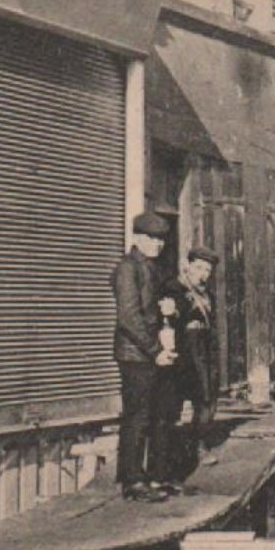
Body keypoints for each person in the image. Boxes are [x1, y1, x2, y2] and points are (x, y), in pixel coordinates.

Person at [111, 211, 177, 502]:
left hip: (153, 354)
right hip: (136, 356)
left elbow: (153, 308)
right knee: (137, 417)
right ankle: (132, 480)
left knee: (158, 415)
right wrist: (154, 352)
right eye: (152, 238)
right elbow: (129, 317)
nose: (158, 244)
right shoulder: (128, 268)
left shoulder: (152, 267)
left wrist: (169, 308)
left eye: (161, 239)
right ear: (137, 238)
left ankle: (155, 476)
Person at [160, 247, 221, 473]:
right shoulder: (173, 287)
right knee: (174, 402)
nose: (203, 274)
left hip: (203, 349)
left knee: (207, 398)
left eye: (207, 270)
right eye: (198, 268)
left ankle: (199, 444)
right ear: (187, 266)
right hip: (182, 350)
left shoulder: (207, 294)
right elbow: (171, 313)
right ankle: (172, 451)